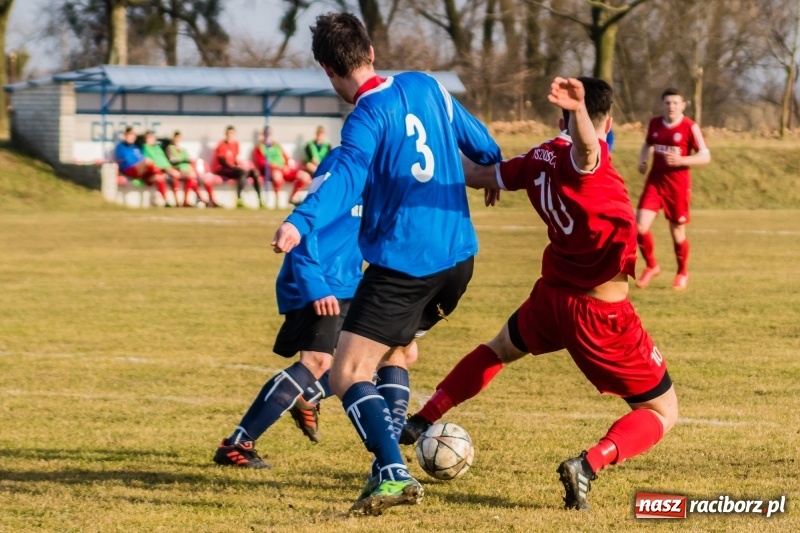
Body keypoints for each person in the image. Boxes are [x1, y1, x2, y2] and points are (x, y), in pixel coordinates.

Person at [400, 77, 679, 512]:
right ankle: (587, 465)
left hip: (552, 299)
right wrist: (582, 113)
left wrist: (423, 143)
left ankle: (423, 418)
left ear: (558, 118)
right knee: (663, 412)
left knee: (498, 350)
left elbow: (474, 174)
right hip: (601, 314)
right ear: (607, 122)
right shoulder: (584, 158)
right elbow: (587, 152)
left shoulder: (538, 158)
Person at [271, 12, 502, 516]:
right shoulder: (427, 85)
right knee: (398, 353)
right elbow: (480, 141)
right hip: (458, 260)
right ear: (371, 52)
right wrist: (492, 169)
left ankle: (393, 474)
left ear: (329, 71)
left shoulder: (365, 118)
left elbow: (345, 178)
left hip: (404, 265)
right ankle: (391, 453)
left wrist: (299, 221)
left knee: (346, 370)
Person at [214, 148, 379, 467]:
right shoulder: (344, 162)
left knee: (370, 357)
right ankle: (237, 444)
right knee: (317, 361)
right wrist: (316, 285)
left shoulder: (385, 169)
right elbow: (308, 223)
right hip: (321, 280)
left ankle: (309, 396)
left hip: (351, 281)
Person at [635, 88, 711, 290]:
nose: (671, 107)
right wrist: (643, 160)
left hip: (678, 187)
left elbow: (705, 156)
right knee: (639, 227)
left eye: (675, 103)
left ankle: (682, 272)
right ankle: (651, 266)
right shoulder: (654, 124)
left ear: (683, 105)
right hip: (655, 183)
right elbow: (647, 144)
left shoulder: (690, 127)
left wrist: (681, 160)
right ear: (662, 104)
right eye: (667, 103)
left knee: (677, 232)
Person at [253, 126, 312, 205]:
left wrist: (286, 166)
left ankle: (292, 198)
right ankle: (277, 201)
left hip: (284, 169)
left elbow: (286, 157)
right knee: (277, 176)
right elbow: (261, 163)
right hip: (273, 171)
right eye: (266, 134)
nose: (268, 135)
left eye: (269, 133)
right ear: (263, 135)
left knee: (305, 176)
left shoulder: (277, 145)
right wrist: (277, 167)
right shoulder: (259, 147)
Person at [114, 126, 172, 206]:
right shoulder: (121, 147)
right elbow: (120, 161)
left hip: (141, 172)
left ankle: (166, 201)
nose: (131, 137)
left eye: (132, 135)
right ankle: (162, 172)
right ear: (125, 135)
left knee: (159, 178)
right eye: (129, 135)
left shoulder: (136, 148)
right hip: (130, 170)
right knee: (148, 161)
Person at [211, 126, 263, 208]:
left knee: (254, 173)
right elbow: (222, 161)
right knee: (242, 172)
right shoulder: (221, 145)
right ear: (226, 134)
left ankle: (260, 199)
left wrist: (239, 166)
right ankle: (239, 199)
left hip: (233, 169)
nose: (230, 135)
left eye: (232, 133)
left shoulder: (236, 144)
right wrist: (234, 167)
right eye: (228, 133)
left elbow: (235, 159)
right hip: (222, 169)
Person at [166, 130, 221, 208]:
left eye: (179, 138)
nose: (177, 139)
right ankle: (201, 199)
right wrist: (183, 160)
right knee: (192, 176)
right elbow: (173, 160)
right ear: (173, 138)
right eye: (176, 137)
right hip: (179, 170)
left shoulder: (183, 150)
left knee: (194, 180)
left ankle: (196, 200)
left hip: (187, 170)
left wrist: (187, 162)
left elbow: (189, 159)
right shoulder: (170, 148)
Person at [142, 130, 197, 208]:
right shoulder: (145, 148)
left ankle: (186, 200)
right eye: (149, 138)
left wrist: (170, 168)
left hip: (170, 169)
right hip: (160, 170)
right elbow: (150, 162)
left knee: (191, 177)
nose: (151, 139)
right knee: (174, 176)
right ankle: (176, 201)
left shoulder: (157, 148)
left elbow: (188, 159)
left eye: (152, 137)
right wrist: (167, 169)